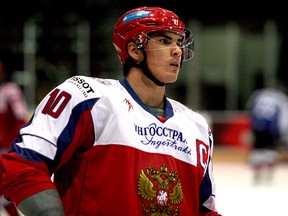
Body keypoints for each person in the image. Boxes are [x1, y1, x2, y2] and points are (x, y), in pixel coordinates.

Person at [0, 6, 222, 215]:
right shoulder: (87, 97)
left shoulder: (197, 126)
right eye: (164, 41)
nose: (177, 51)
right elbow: (22, 166)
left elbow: (205, 210)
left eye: (179, 42)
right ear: (135, 50)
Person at [246, 80, 288, 184]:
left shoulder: (258, 94)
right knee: (270, 151)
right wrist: (283, 133)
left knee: (257, 150)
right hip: (271, 128)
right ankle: (269, 174)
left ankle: (257, 174)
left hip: (257, 126)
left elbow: (250, 109)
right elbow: (284, 117)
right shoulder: (281, 98)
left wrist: (251, 127)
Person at [0, 60, 28, 216]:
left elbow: (21, 119)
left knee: (5, 190)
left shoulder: (10, 91)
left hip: (6, 150)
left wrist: (11, 145)